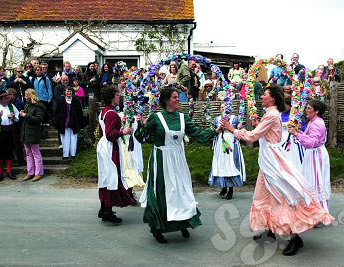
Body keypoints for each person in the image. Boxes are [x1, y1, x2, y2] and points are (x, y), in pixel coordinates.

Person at [221, 85, 333, 256]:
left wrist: (232, 129)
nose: (261, 98)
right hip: (267, 161)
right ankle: (270, 228)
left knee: (281, 197)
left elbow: (253, 136)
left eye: (264, 95)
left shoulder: (272, 115)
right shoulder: (271, 114)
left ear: (272, 99)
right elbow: (263, 134)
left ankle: (294, 238)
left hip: (273, 162)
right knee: (262, 196)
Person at [135, 84, 216, 244]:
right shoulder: (156, 118)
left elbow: (198, 134)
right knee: (163, 194)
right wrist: (140, 125)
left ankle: (183, 223)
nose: (178, 99)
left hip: (178, 159)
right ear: (166, 100)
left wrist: (216, 131)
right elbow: (141, 138)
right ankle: (158, 228)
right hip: (161, 159)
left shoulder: (182, 117)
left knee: (181, 191)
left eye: (178, 97)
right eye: (174, 97)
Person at [97, 86, 136, 224]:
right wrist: (123, 132)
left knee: (106, 177)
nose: (119, 97)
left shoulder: (104, 111)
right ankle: (107, 211)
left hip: (103, 147)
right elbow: (110, 135)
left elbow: (104, 133)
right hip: (109, 148)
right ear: (112, 97)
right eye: (117, 95)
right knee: (112, 177)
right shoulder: (112, 113)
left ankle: (104, 208)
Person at [288, 100, 331, 213]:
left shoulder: (316, 123)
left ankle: (320, 212)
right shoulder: (314, 121)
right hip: (313, 153)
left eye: (309, 108)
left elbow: (311, 142)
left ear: (316, 111)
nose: (306, 110)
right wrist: (299, 132)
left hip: (316, 155)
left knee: (316, 183)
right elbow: (311, 139)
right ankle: (313, 210)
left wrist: (297, 134)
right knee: (311, 181)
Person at [208, 102, 245, 200]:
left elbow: (239, 130)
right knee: (221, 163)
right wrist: (218, 129)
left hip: (231, 142)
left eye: (225, 107)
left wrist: (240, 127)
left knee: (230, 164)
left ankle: (231, 189)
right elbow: (214, 131)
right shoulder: (217, 119)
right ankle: (223, 187)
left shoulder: (234, 118)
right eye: (221, 107)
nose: (223, 108)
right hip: (221, 143)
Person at [0, 89, 20, 181]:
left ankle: (9, 171)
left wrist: (14, 117)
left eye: (8, 97)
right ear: (0, 99)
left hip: (10, 131)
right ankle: (0, 172)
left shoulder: (12, 106)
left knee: (9, 151)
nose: (7, 99)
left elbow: (17, 118)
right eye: (5, 98)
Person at [20, 89, 46, 182]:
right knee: (28, 153)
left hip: (33, 132)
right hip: (25, 132)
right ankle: (30, 172)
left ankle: (39, 173)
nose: (25, 97)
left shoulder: (39, 106)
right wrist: (24, 114)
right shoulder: (27, 105)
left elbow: (38, 119)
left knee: (36, 153)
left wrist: (25, 115)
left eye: (26, 95)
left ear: (31, 96)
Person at [55, 87, 83, 160]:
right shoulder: (61, 101)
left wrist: (79, 121)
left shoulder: (76, 101)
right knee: (64, 139)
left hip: (74, 123)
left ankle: (73, 154)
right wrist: (57, 121)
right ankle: (65, 155)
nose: (69, 93)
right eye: (67, 91)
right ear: (65, 92)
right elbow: (57, 112)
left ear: (72, 92)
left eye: (70, 91)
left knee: (73, 139)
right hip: (63, 123)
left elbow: (80, 112)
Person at [280, 94, 306, 170]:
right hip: (282, 141)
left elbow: (304, 129)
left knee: (295, 163)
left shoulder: (296, 115)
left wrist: (298, 127)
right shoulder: (279, 114)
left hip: (294, 142)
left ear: (289, 105)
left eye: (283, 105)